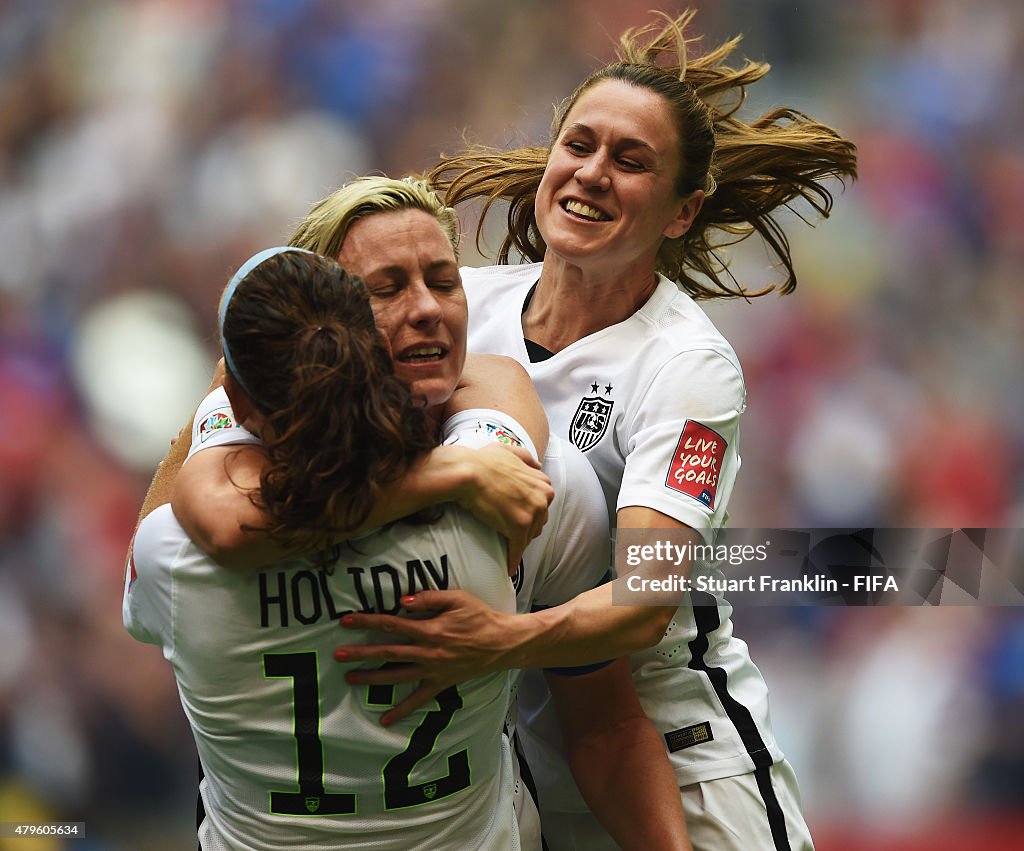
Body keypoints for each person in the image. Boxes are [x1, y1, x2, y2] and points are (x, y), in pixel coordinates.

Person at [329, 10, 859, 851]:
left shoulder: (688, 364)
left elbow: (647, 598)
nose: (592, 173)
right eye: (580, 145)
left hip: (682, 759)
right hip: (514, 767)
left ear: (682, 214)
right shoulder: (457, 302)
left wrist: (498, 641)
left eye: (631, 159)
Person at [166, 179, 692, 850]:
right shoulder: (494, 478)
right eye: (385, 289)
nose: (426, 309)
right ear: (321, 318)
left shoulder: (537, 469)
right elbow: (220, 518)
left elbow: (607, 725)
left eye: (444, 280)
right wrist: (452, 472)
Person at [125, 247, 529, 849]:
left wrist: (219, 398)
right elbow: (499, 379)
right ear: (378, 368)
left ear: (239, 402)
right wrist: (439, 476)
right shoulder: (485, 502)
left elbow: (186, 511)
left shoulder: (176, 556)